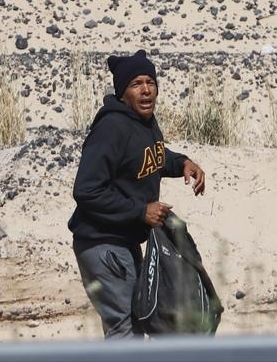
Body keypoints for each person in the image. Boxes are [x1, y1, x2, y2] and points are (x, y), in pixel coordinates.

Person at [68, 49, 207, 338]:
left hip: (126, 241)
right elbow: (86, 190)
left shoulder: (144, 123)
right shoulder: (111, 128)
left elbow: (151, 157)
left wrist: (182, 162)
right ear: (122, 93)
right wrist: (140, 211)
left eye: (150, 82)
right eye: (136, 84)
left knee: (143, 320)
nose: (146, 90)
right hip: (102, 244)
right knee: (125, 329)